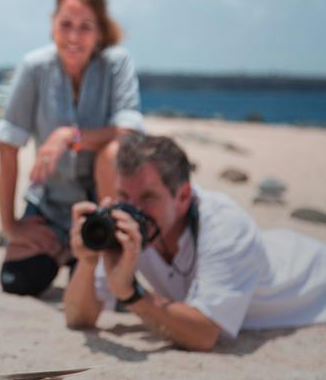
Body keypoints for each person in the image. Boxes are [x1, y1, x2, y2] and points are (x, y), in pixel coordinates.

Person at [64, 133, 326, 351]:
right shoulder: (125, 225)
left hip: (311, 277)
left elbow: (203, 334)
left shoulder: (225, 226)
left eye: (148, 197)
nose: (134, 210)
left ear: (184, 196)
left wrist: (131, 294)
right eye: (123, 195)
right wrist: (87, 262)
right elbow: (78, 317)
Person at [0, 0, 145, 296]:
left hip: (100, 206)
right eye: (66, 24)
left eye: (85, 26)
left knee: (113, 151)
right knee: (17, 280)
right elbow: (8, 145)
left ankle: (107, 247)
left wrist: (70, 136)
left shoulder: (117, 63)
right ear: (53, 26)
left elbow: (128, 132)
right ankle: (67, 252)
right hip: (50, 205)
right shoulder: (34, 67)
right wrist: (11, 225)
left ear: (100, 31)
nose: (74, 36)